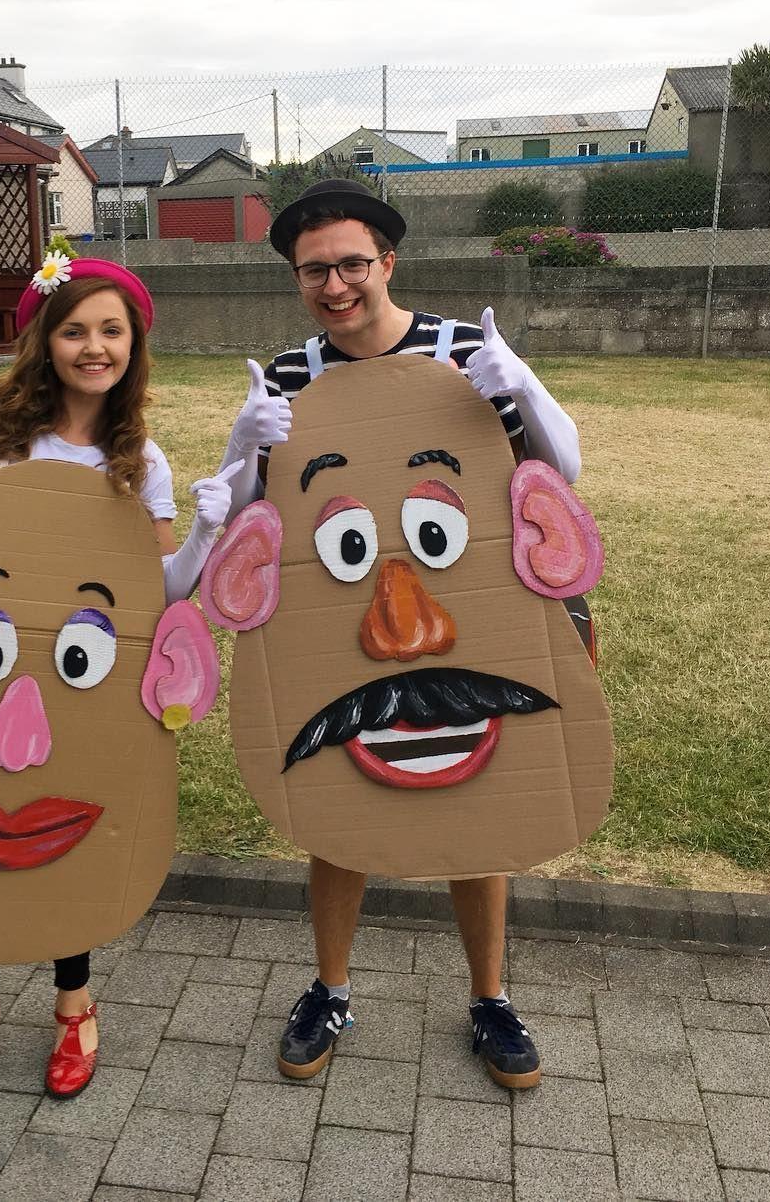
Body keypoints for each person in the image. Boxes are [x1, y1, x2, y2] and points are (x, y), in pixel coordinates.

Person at [0, 255, 267, 1103]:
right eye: (74, 329)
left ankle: (73, 1004)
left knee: (58, 826)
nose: (93, 347)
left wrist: (206, 537)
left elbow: (159, 592)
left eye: (112, 330)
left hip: (77, 682)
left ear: (134, 345)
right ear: (43, 338)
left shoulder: (141, 458)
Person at [241, 179, 586, 1090]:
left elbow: (556, 473)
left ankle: (490, 997)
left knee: (487, 801)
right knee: (337, 805)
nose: (336, 283)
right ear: (296, 278)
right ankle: (331, 987)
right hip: (343, 623)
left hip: (475, 614)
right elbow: (258, 523)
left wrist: (525, 389)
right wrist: (243, 450)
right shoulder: (289, 375)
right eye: (315, 270)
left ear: (388, 261)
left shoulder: (465, 349)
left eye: (353, 262)